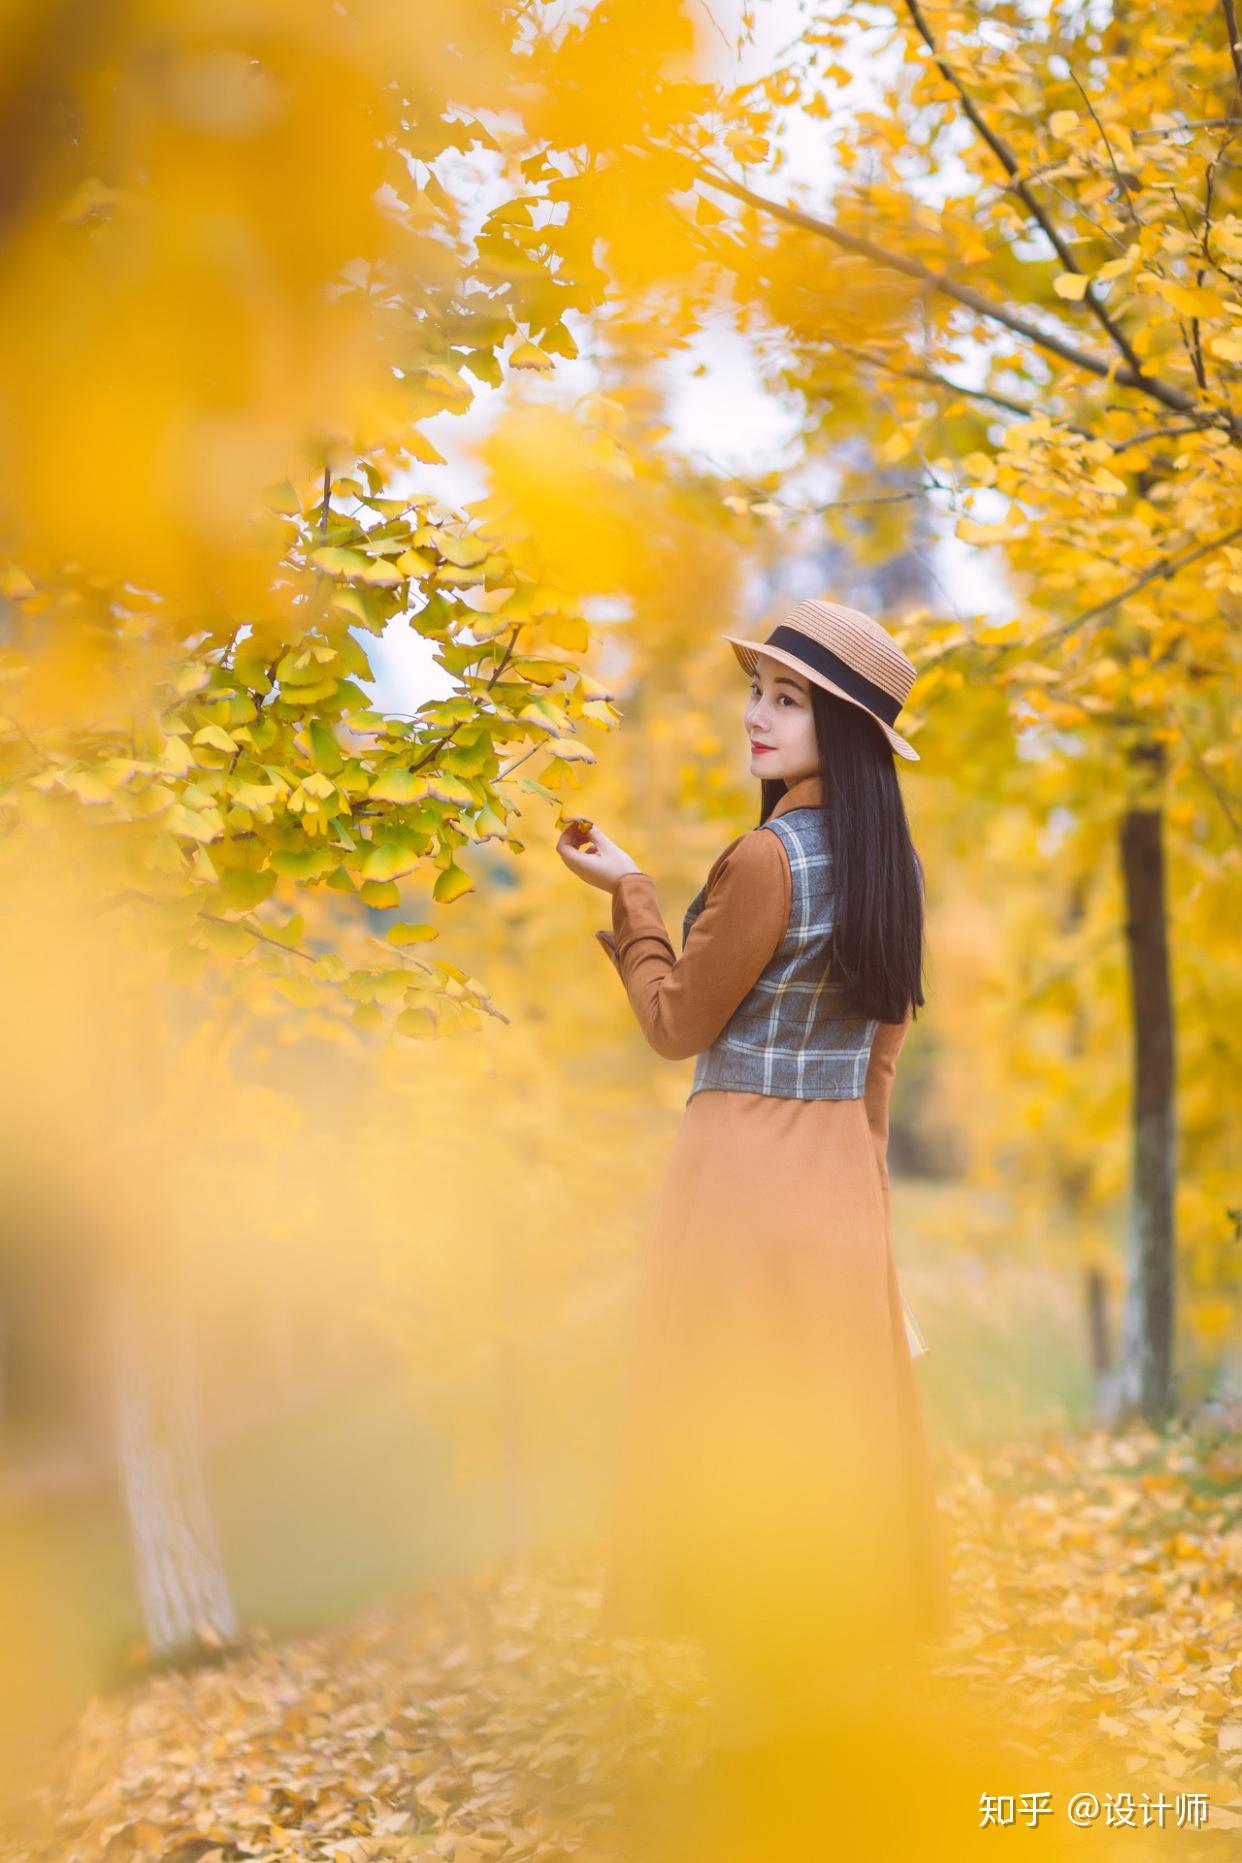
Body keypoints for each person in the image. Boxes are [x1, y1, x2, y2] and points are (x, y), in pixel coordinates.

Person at [555, 598, 951, 1739]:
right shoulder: (893, 868)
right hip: (835, 1178)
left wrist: (630, 900)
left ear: (846, 729)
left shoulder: (766, 858)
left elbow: (677, 1023)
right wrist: (867, 1201)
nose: (757, 718)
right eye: (759, 692)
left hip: (738, 1176)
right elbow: (880, 1063)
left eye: (789, 700)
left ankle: (758, 1736)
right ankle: (819, 1719)